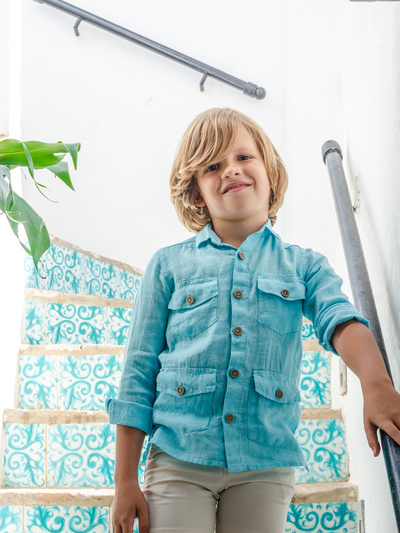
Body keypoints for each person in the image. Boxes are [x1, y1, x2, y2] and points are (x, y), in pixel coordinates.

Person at [106, 108, 400, 533]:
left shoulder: (305, 266)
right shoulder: (168, 266)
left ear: (270, 172)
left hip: (265, 465)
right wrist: (124, 481)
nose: (230, 170)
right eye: (212, 165)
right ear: (196, 193)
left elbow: (339, 319)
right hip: (178, 460)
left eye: (244, 157)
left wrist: (376, 384)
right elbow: (138, 373)